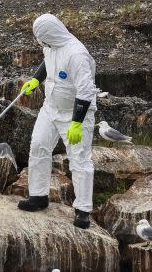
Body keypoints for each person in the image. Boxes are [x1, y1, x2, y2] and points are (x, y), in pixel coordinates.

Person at [17, 13, 99, 229]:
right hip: (50, 107)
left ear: (50, 33)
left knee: (79, 159)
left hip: (75, 113)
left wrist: (77, 122)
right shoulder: (51, 44)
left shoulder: (76, 55)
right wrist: (36, 79)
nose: (40, 42)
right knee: (38, 146)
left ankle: (83, 210)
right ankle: (38, 196)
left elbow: (86, 90)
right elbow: (47, 62)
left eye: (41, 38)